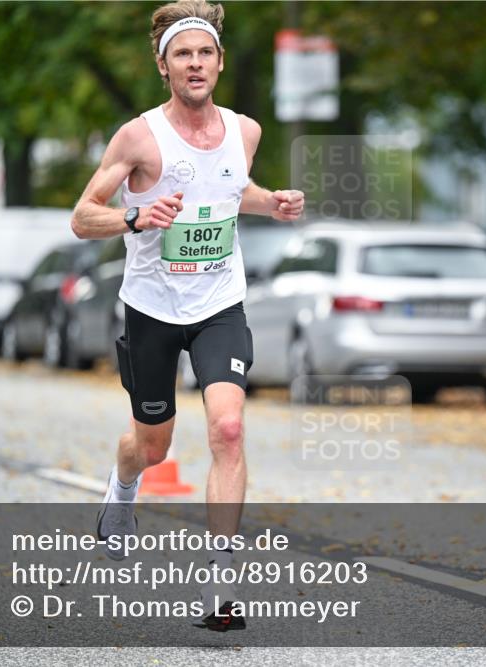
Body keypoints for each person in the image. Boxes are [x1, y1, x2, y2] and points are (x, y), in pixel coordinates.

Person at [70, 0, 304, 631]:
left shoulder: (245, 132)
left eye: (204, 53)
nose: (194, 63)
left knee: (228, 430)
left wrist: (271, 202)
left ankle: (221, 583)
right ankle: (121, 491)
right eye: (182, 54)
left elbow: (231, 191)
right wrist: (134, 215)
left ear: (219, 63)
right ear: (164, 66)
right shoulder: (138, 137)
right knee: (153, 445)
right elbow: (82, 214)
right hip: (151, 307)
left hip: (220, 302)